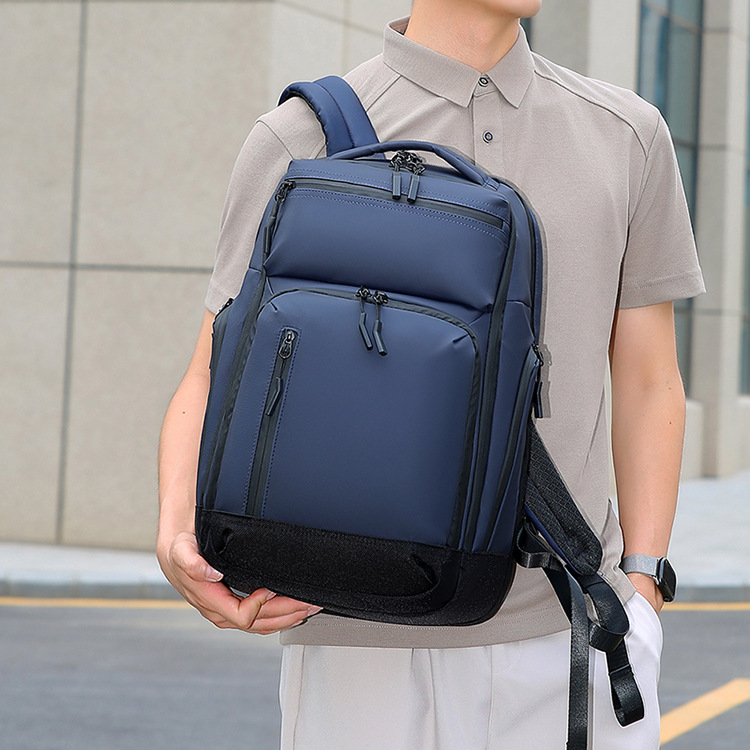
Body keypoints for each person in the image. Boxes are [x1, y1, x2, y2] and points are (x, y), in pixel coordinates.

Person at [157, 1, 705, 747]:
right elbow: (210, 371)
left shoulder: (626, 134)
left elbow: (649, 379)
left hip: (572, 629)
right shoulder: (300, 137)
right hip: (353, 638)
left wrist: (641, 587)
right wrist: (176, 531)